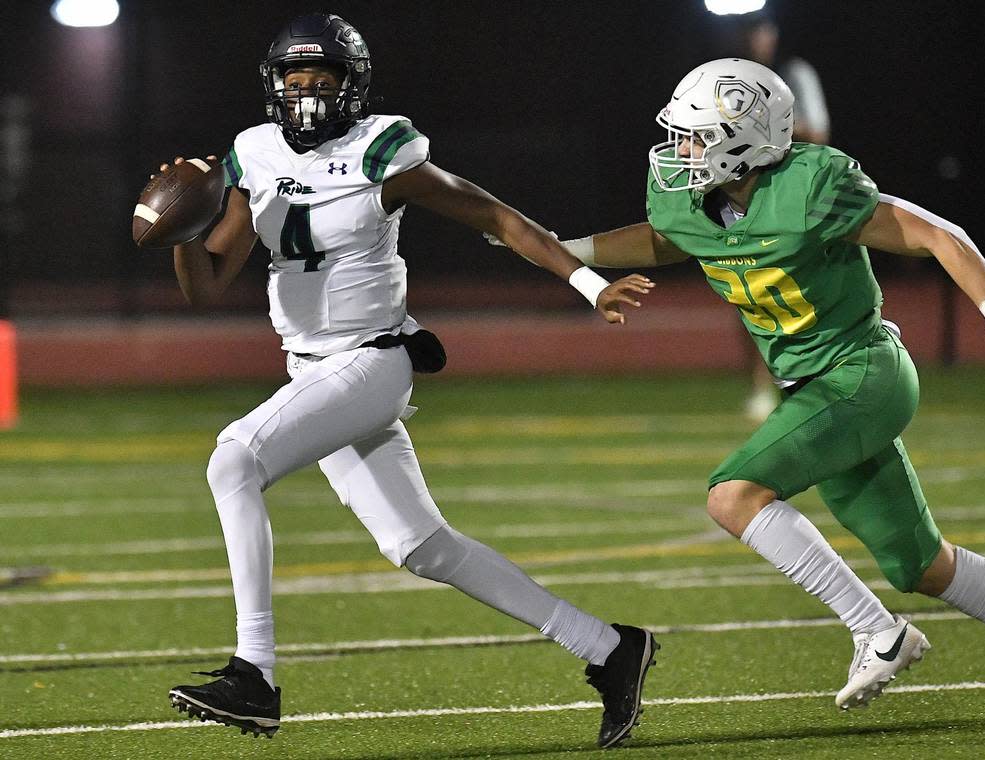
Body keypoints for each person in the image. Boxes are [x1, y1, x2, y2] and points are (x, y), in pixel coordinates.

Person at [541, 58, 985, 733]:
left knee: (732, 495)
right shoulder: (690, 196)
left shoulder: (813, 183)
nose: (680, 152)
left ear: (747, 136)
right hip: (814, 389)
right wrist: (569, 251)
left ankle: (874, 631)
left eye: (697, 137)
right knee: (921, 565)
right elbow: (675, 237)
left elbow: (938, 234)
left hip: (861, 372)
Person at [161, 13, 658, 748]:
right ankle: (610, 649)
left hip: (370, 361)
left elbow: (496, 214)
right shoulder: (253, 154)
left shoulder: (383, 150)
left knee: (234, 459)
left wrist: (588, 284)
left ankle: (254, 672)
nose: (304, 95)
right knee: (420, 545)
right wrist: (176, 232)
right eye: (293, 81)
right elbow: (206, 285)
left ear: (351, 88)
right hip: (315, 371)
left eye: (320, 81)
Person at [740, 14, 830, 421]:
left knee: (796, 294)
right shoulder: (730, 80)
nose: (754, 39)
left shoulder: (794, 73)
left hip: (795, 199)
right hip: (745, 199)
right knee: (746, 292)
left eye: (760, 30)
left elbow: (818, 132)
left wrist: (761, 128)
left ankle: (816, 380)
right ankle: (763, 385)